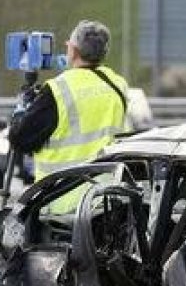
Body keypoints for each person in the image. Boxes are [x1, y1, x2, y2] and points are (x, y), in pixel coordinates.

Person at [10, 20, 130, 184]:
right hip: (107, 194)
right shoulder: (117, 84)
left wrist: (21, 112)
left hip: (62, 199)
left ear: (73, 51)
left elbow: (20, 139)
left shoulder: (58, 90)